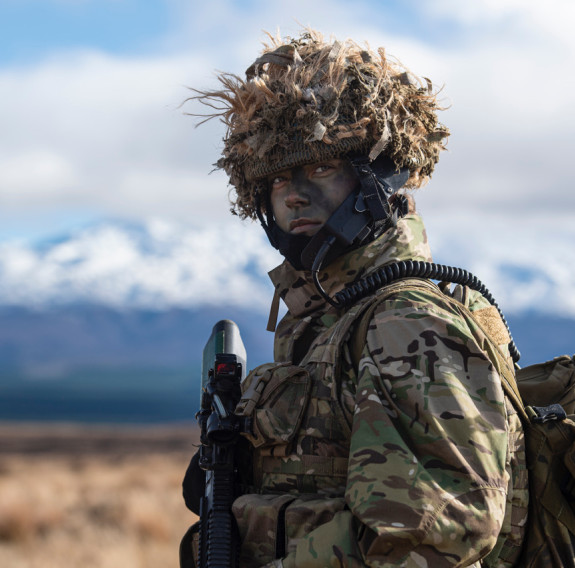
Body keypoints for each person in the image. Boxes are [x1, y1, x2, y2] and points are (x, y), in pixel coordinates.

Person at [183, 28, 529, 567]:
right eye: (276, 179)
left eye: (322, 167)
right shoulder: (322, 321)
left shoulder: (405, 322)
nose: (295, 192)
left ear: (376, 181)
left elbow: (433, 543)